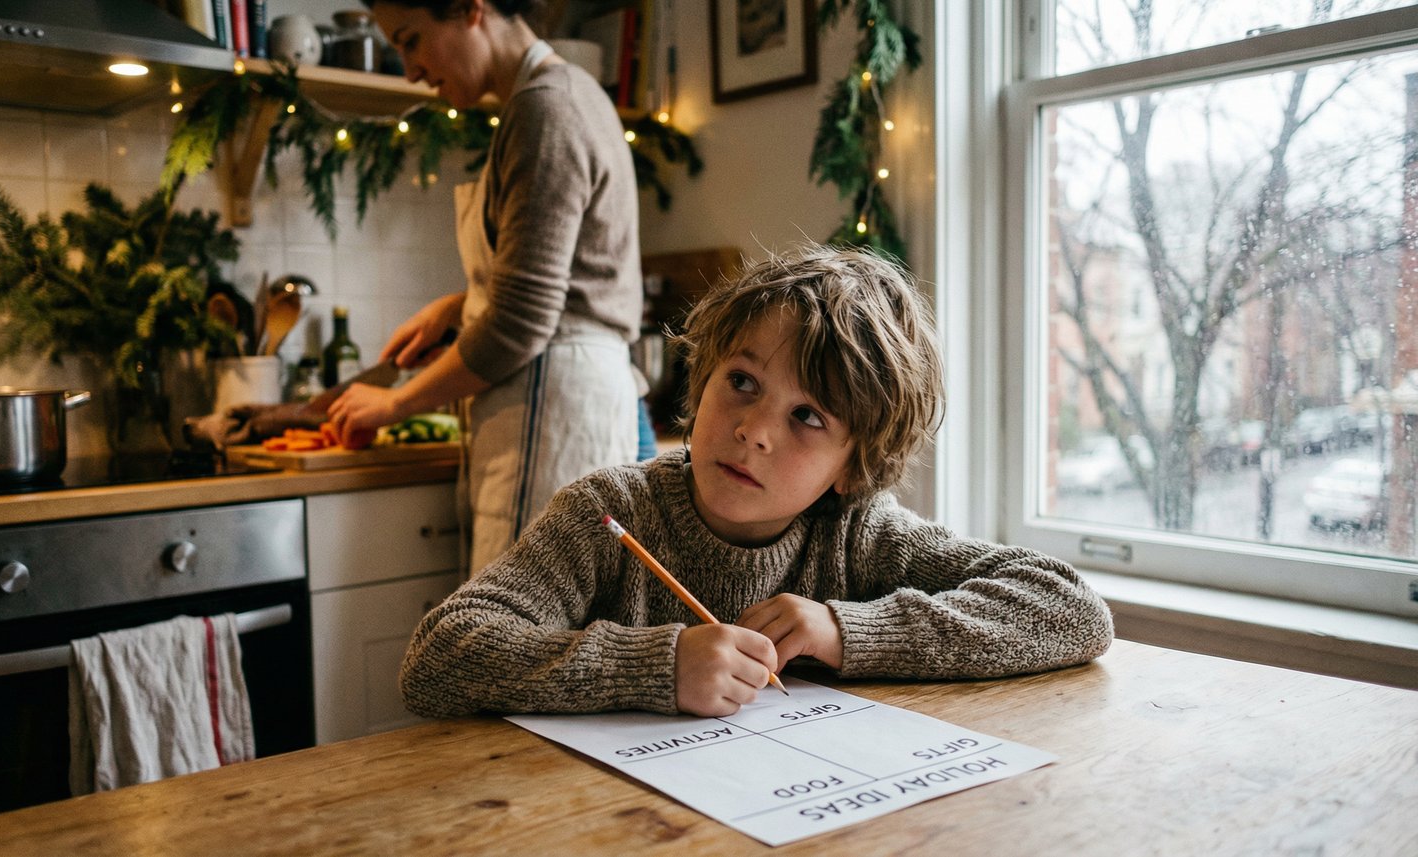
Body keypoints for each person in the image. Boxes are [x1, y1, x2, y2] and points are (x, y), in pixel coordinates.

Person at [399, 244, 1114, 719]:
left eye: (807, 415)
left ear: (853, 465)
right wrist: (655, 665)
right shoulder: (609, 514)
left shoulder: (858, 533)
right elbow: (438, 656)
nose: (754, 430)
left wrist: (846, 629)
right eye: (741, 381)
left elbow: (1071, 610)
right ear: (704, 376)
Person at [329, 0, 644, 573]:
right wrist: (458, 307)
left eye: (411, 39)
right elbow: (566, 269)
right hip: (563, 395)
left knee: (514, 642)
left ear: (471, 10)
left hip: (551, 398)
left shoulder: (545, 110)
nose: (411, 70)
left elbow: (519, 325)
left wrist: (395, 402)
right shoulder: (571, 92)